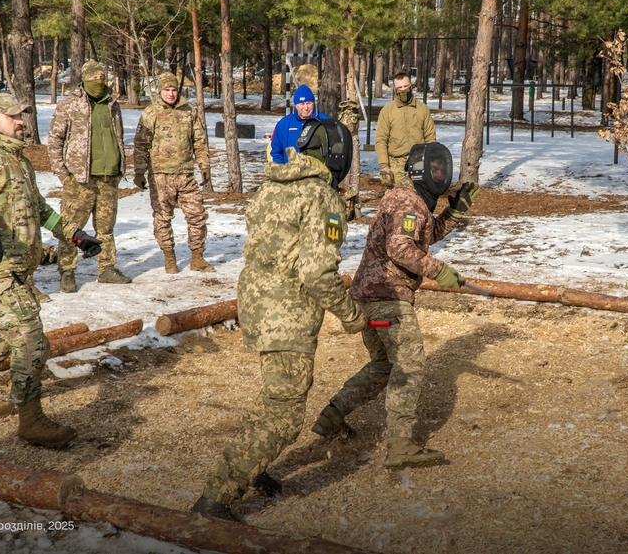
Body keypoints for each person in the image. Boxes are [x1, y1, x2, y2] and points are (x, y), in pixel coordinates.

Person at [191, 117, 368, 521]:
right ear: (336, 155)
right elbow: (317, 273)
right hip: (287, 313)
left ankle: (252, 466)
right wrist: (351, 314)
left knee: (274, 398)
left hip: (257, 306)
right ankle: (216, 497)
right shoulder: (322, 197)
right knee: (286, 414)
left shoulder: (273, 185)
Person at [312, 142, 479, 468]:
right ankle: (400, 444)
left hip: (367, 303)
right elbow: (402, 248)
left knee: (383, 366)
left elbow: (421, 238)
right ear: (422, 171)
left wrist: (453, 213)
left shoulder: (404, 199)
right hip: (387, 301)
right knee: (409, 364)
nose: (441, 175)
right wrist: (439, 270)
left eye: (443, 170)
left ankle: (332, 416)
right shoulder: (410, 204)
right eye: (436, 170)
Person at [0, 93, 101, 445]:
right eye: (13, 116)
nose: (22, 121)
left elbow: (39, 207)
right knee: (32, 337)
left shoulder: (18, 160)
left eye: (23, 115)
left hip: (19, 265)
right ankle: (30, 419)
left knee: (2, 336)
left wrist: (75, 235)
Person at [48, 61, 131, 290]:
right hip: (79, 179)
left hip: (108, 177)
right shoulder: (69, 105)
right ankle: (67, 271)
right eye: (93, 77)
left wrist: (119, 168)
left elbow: (118, 136)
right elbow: (55, 140)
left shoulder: (113, 104)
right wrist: (63, 174)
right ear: (83, 79)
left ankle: (106, 268)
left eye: (101, 76)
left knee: (106, 227)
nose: (98, 80)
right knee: (71, 227)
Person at [133, 71, 214, 273]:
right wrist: (139, 172)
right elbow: (141, 144)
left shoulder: (189, 111)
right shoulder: (150, 113)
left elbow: (199, 141)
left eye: (174, 90)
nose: (171, 94)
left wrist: (204, 165)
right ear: (160, 91)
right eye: (167, 90)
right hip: (160, 175)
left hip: (186, 174)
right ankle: (169, 257)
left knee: (197, 215)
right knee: (162, 217)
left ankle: (197, 257)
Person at [375, 72, 436, 189]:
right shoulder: (387, 111)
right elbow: (381, 140)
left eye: (406, 86)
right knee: (394, 203)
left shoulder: (422, 109)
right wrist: (384, 167)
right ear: (395, 89)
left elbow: (430, 137)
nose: (403, 90)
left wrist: (429, 161)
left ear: (411, 86)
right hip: (395, 166)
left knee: (419, 202)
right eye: (400, 87)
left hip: (419, 163)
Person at [268, 84, 325, 164]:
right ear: (295, 106)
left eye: (308, 103)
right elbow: (275, 151)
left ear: (314, 103)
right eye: (302, 104)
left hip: (317, 173)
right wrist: (282, 171)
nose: (306, 108)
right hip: (290, 173)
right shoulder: (283, 124)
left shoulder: (324, 121)